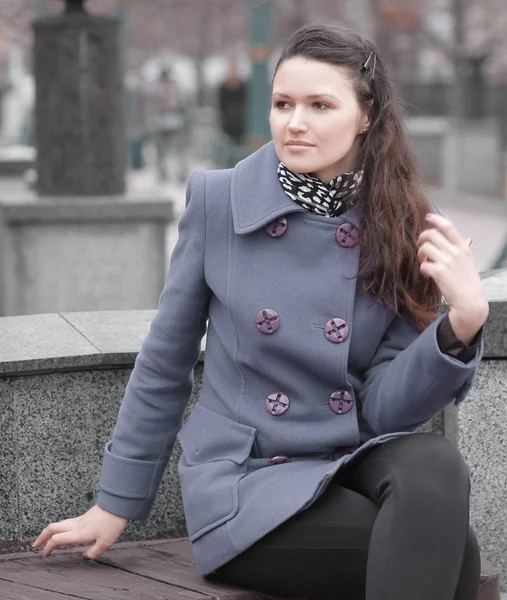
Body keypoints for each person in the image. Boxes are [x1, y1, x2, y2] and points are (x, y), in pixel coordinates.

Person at [33, 25, 489, 600]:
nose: (294, 122)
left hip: (348, 459)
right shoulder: (219, 202)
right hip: (249, 479)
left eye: (320, 105)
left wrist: (461, 325)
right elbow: (165, 363)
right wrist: (115, 504)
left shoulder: (404, 222)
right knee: (457, 554)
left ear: (366, 115)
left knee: (436, 464)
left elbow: (384, 409)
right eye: (282, 104)